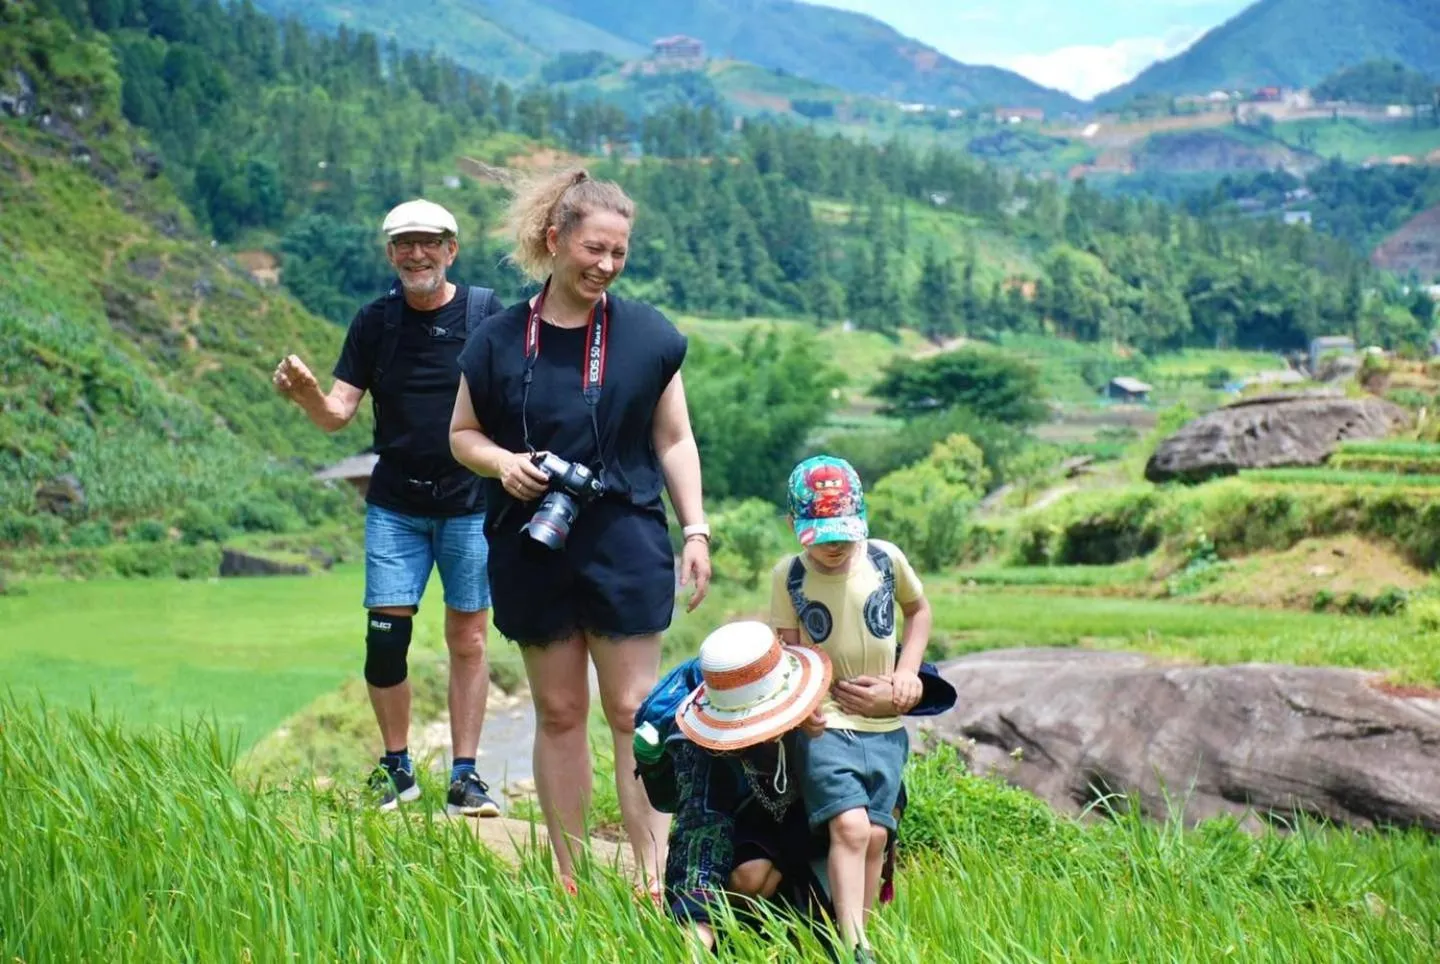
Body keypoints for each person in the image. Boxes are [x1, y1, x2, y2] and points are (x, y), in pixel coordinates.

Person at [448, 168, 711, 895]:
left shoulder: (648, 336)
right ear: (555, 240)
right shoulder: (499, 340)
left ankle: (653, 876)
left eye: (619, 252)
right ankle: (568, 878)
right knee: (560, 712)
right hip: (533, 541)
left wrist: (696, 530)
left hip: (625, 538)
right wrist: (503, 464)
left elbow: (675, 439)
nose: (606, 265)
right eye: (594, 249)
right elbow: (462, 434)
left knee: (633, 711)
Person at [271, 199, 504, 817]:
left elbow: (515, 399)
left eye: (429, 242)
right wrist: (306, 395)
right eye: (405, 244)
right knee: (384, 640)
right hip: (396, 505)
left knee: (468, 639)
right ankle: (397, 767)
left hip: (468, 503)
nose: (416, 254)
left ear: (451, 250)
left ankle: (465, 775)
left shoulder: (485, 314)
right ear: (390, 253)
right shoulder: (375, 321)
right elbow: (336, 415)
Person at [661, 620, 951, 960]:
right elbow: (699, 841)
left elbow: (896, 659)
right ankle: (747, 943)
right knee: (752, 877)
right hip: (757, 829)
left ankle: (854, 942)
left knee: (869, 830)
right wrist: (694, 951)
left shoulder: (824, 678)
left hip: (831, 818)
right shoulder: (699, 748)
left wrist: (897, 695)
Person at [772, 455, 931, 961]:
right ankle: (852, 942)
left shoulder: (885, 559)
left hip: (885, 724)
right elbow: (788, 652)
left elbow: (918, 611)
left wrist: (908, 672)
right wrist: (802, 708)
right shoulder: (790, 576)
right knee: (851, 827)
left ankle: (864, 936)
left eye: (844, 535)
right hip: (826, 723)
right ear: (795, 525)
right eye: (823, 539)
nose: (835, 547)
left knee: (878, 834)